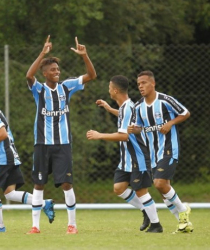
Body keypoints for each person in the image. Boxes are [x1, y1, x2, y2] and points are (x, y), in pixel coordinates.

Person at [25, 35, 97, 234]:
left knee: (66, 183)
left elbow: (91, 75)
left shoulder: (67, 86)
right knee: (39, 184)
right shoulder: (38, 89)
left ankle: (72, 225)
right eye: (53, 70)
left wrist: (85, 55)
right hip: (42, 143)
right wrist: (42, 53)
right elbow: (29, 76)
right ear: (45, 73)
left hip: (63, 144)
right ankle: (35, 226)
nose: (57, 72)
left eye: (58, 69)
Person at [0, 83, 55, 233]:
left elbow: (2, 134)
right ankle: (43, 203)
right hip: (9, 156)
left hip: (2, 157)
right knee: (9, 193)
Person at [86, 75, 162, 233]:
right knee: (119, 188)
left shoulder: (128, 107)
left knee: (141, 191)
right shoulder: (125, 107)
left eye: (109, 88)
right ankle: (145, 211)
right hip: (126, 159)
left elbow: (124, 136)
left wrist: (100, 135)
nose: (108, 91)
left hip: (137, 157)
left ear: (114, 90)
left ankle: (156, 224)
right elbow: (123, 117)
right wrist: (108, 108)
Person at [128, 70, 193, 233]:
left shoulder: (165, 100)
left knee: (159, 183)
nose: (140, 87)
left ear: (153, 83)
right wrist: (133, 129)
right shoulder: (138, 107)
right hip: (153, 153)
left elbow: (185, 113)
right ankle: (183, 224)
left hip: (169, 149)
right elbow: (138, 128)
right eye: (138, 84)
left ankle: (183, 210)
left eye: (143, 83)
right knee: (163, 190)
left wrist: (170, 123)